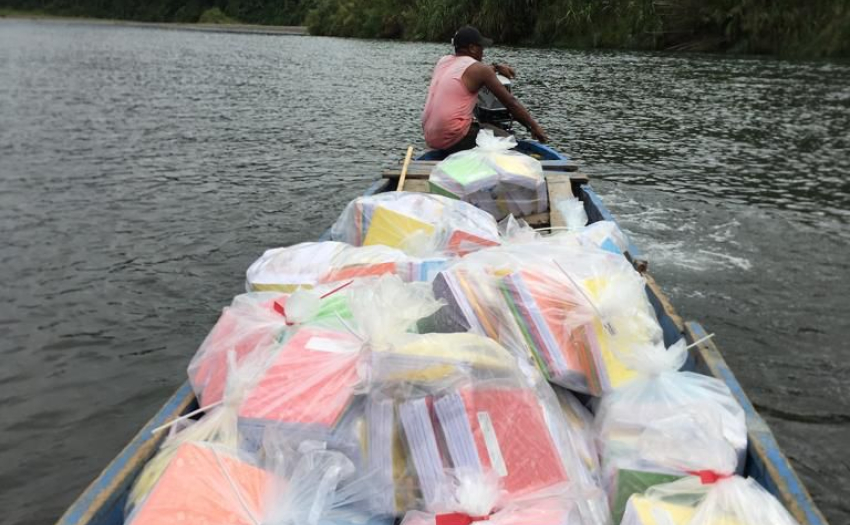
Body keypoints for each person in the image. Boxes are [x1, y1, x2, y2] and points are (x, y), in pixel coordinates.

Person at [421, 25, 549, 155]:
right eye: (481, 47)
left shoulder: (443, 61)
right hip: (453, 137)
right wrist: (534, 127)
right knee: (506, 141)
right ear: (472, 48)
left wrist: (496, 67)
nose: (483, 52)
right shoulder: (479, 70)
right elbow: (511, 103)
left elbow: (476, 70)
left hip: (431, 137)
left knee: (481, 129)